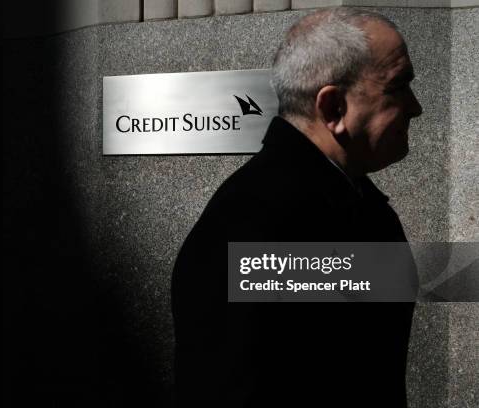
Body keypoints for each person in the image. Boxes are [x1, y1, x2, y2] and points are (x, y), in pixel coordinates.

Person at [172, 8, 423, 408]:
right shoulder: (258, 221)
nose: (415, 108)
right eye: (398, 87)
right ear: (334, 109)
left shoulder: (347, 199)